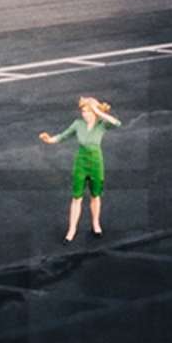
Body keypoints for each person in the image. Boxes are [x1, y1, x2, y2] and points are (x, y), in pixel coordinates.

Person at [42, 95, 119, 241]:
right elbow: (63, 136)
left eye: (88, 112)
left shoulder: (102, 124)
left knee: (95, 195)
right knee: (77, 197)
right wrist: (49, 139)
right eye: (83, 112)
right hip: (81, 163)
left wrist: (99, 112)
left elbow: (117, 123)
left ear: (94, 112)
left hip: (96, 163)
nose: (85, 115)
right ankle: (72, 229)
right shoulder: (78, 124)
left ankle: (96, 223)